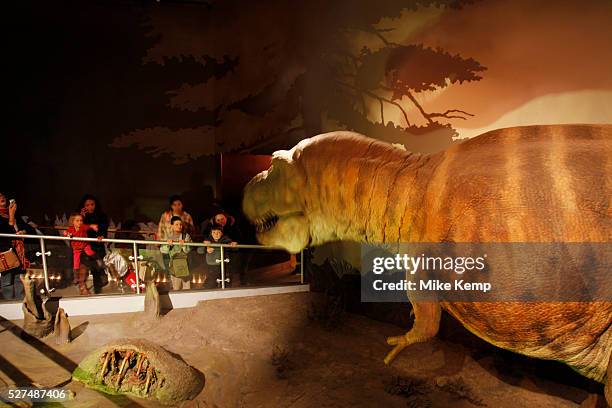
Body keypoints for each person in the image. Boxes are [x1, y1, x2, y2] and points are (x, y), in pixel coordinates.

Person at [78, 194, 109, 293]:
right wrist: (82, 216)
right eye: (87, 205)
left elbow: (103, 227)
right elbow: (77, 228)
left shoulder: (102, 215)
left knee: (98, 267)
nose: (90, 207)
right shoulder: (81, 216)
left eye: (92, 204)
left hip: (97, 244)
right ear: (84, 206)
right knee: (84, 266)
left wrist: (102, 235)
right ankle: (83, 287)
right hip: (85, 244)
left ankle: (98, 289)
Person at [0, 193, 28, 300]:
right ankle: (9, 306)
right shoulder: (10, 214)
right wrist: (11, 216)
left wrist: (24, 232)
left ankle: (20, 305)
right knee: (7, 282)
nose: (2, 198)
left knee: (19, 279)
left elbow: (28, 228)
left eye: (3, 196)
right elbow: (7, 232)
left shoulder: (14, 214)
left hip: (18, 253)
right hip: (4, 253)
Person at [64, 213, 100, 295]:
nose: (79, 222)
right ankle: (76, 277)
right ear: (73, 222)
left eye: (81, 220)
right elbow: (66, 232)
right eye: (77, 221)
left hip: (85, 245)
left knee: (90, 253)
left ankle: (97, 260)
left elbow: (89, 226)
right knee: (76, 263)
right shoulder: (71, 229)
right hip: (76, 248)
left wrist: (93, 226)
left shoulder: (83, 227)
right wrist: (67, 234)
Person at [160, 216, 192, 291]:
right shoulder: (167, 236)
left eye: (180, 224)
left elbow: (188, 250)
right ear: (172, 226)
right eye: (176, 224)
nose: (179, 226)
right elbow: (163, 250)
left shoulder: (186, 236)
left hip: (185, 264)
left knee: (187, 287)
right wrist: (168, 244)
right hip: (174, 265)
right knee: (176, 287)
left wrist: (184, 245)